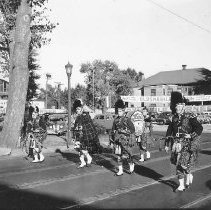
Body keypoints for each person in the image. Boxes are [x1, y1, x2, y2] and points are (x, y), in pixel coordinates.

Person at [165, 91, 203, 192]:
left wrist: (191, 135)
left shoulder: (190, 117)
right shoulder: (173, 118)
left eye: (178, 105)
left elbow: (199, 128)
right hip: (176, 145)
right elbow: (169, 132)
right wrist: (167, 144)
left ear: (183, 106)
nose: (177, 108)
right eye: (176, 106)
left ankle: (189, 173)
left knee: (183, 164)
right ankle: (181, 185)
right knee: (178, 165)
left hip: (187, 144)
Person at [110, 99, 137, 176]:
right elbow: (113, 130)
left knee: (127, 155)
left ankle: (131, 166)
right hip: (118, 141)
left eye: (120, 111)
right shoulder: (115, 120)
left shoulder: (127, 120)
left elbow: (132, 129)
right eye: (118, 111)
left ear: (123, 111)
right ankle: (120, 171)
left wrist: (124, 131)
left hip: (126, 141)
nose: (119, 112)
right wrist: (111, 139)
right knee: (118, 156)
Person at [72, 99, 101, 168]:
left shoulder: (86, 116)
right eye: (76, 110)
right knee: (79, 150)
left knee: (83, 149)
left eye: (79, 109)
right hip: (79, 136)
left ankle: (89, 158)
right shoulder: (77, 118)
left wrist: (81, 128)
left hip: (86, 136)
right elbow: (76, 127)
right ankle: (83, 162)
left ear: (81, 110)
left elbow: (88, 126)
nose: (77, 111)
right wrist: (74, 134)